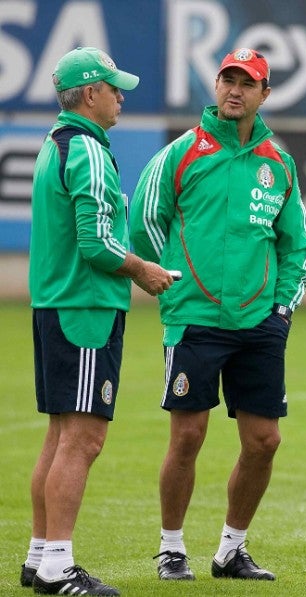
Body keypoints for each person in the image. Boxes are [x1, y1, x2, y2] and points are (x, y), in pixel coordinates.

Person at [129, 47, 306, 582]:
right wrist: (169, 281)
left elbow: (299, 244)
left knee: (264, 442)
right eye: (226, 79)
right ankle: (171, 549)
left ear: (264, 94)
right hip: (194, 320)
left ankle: (231, 550)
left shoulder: (277, 162)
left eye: (246, 83)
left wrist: (281, 307)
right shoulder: (182, 152)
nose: (233, 90)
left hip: (259, 324)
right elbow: (144, 219)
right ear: (216, 86)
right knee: (187, 437)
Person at [23, 47, 174, 596]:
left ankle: (41, 557)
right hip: (85, 307)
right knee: (82, 439)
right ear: (90, 94)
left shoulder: (55, 144)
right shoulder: (85, 148)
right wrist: (143, 270)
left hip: (57, 305)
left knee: (61, 435)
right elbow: (95, 243)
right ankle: (59, 565)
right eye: (113, 88)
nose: (121, 97)